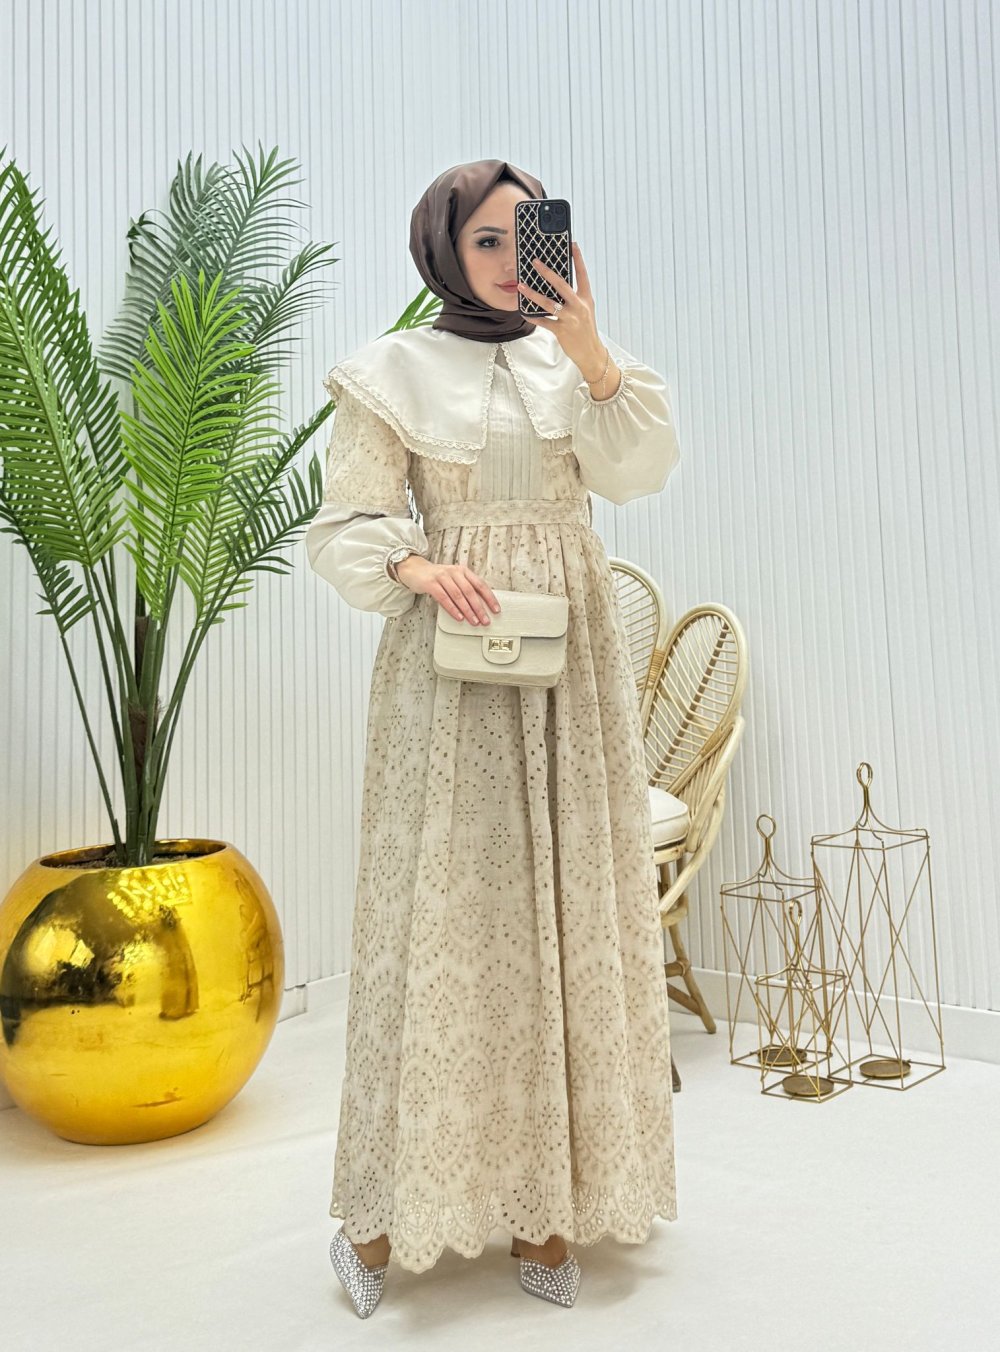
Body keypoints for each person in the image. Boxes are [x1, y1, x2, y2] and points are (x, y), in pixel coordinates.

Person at [305, 159, 679, 1318]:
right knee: (443, 921)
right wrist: (418, 565)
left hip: (572, 669)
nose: (512, 260)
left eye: (529, 235)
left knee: (570, 915)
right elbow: (346, 523)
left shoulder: (580, 363)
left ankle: (548, 1206)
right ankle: (382, 1213)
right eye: (486, 240)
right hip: (450, 665)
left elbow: (639, 471)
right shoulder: (392, 370)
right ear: (442, 249)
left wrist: (591, 351)